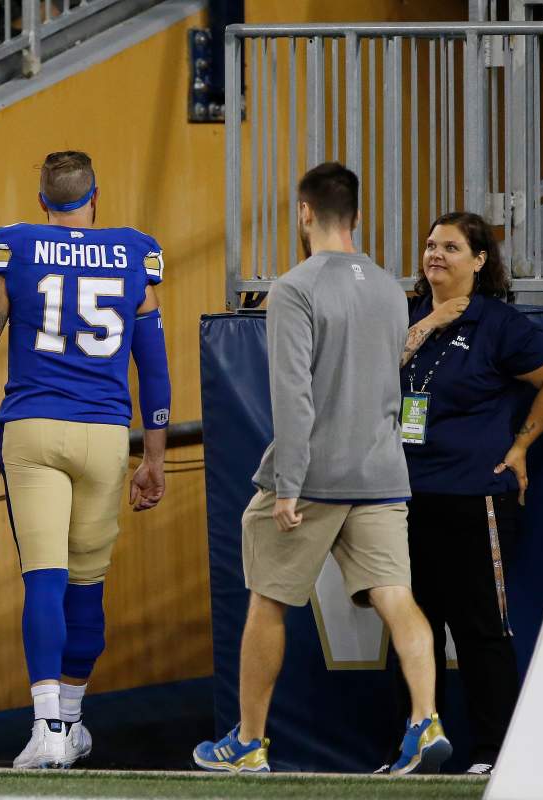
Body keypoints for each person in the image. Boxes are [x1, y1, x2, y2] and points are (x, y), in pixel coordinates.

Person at [192, 162, 450, 775]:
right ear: (356, 216)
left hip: (310, 479)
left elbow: (293, 394)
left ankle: (249, 742)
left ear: (304, 213)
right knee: (397, 597)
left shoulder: (295, 287)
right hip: (383, 473)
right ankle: (426, 719)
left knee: (267, 602)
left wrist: (289, 484)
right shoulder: (392, 289)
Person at [0, 150, 171, 769]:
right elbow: (155, 368)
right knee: (86, 585)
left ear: (42, 201)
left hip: (34, 430)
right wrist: (156, 458)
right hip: (107, 434)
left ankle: (49, 729)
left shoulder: (17, 248)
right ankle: (75, 721)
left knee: (45, 578)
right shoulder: (134, 252)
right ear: (96, 196)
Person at [388, 211, 543, 775]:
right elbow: (373, 375)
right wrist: (428, 323)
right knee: (411, 628)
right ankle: (414, 749)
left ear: (479, 260)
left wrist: (520, 447)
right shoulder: (405, 316)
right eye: (428, 245)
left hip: (473, 497)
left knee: (480, 631)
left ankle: (495, 754)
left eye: (450, 246)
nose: (435, 255)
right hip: (402, 496)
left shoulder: (498, 322)